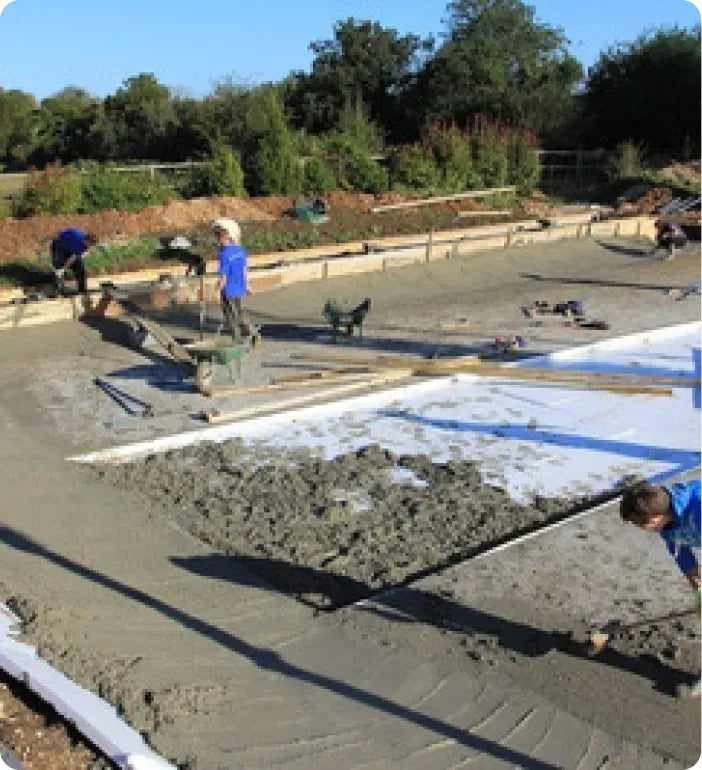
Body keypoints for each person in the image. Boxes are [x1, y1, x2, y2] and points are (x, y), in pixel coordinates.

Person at [620, 479, 701, 695]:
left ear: (656, 518)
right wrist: (697, 584)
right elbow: (679, 549)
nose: (639, 529)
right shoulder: (666, 513)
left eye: (639, 524)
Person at [212, 218, 250, 341]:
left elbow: (223, 277)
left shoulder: (224, 255)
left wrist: (216, 291)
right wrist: (248, 285)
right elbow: (244, 269)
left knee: (230, 315)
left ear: (221, 239)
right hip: (240, 287)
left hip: (229, 290)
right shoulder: (240, 250)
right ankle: (248, 331)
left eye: (218, 238)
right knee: (240, 311)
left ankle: (237, 338)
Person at [50, 228, 98, 294]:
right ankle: (57, 291)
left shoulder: (84, 240)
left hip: (69, 247)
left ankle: (82, 290)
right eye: (90, 245)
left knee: (80, 269)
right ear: (87, 241)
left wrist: (85, 253)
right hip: (59, 247)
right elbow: (72, 259)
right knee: (58, 269)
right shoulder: (78, 242)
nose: (90, 246)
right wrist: (63, 269)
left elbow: (81, 253)